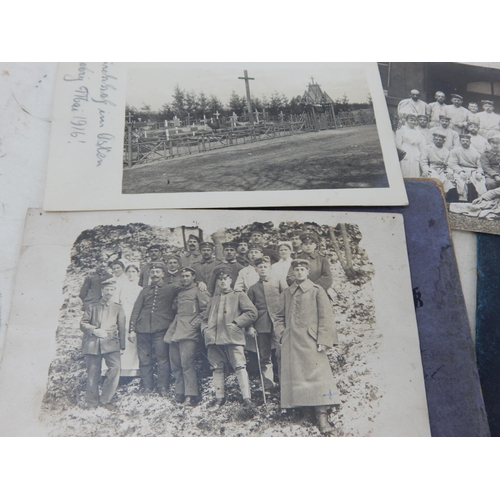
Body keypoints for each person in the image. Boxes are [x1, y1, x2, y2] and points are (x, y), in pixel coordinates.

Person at [274, 259, 340, 435]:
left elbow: (326, 317)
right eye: (296, 270)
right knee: (298, 376)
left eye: (303, 269)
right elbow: (278, 317)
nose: (299, 272)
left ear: (308, 272)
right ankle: (305, 412)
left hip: (312, 341)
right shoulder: (287, 293)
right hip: (292, 343)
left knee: (318, 376)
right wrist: (282, 333)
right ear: (293, 273)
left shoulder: (317, 291)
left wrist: (323, 340)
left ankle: (322, 416)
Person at [201, 267, 258, 411]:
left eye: (226, 278)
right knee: (216, 368)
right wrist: (205, 330)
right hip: (214, 338)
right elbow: (205, 318)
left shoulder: (239, 295)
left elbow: (252, 313)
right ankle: (219, 399)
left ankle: (247, 399)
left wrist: (237, 323)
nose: (223, 281)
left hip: (233, 336)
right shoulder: (214, 299)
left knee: (240, 366)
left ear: (231, 280)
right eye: (220, 279)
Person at [129, 262, 182, 396]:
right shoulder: (145, 290)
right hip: (143, 328)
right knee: (144, 359)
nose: (155, 275)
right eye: (152, 272)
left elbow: (186, 287)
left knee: (162, 358)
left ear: (163, 274)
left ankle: (163, 387)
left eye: (158, 272)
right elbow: (136, 310)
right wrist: (132, 329)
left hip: (161, 328)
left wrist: (200, 284)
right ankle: (147, 386)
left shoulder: (171, 288)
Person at [164, 267, 210, 406]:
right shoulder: (180, 292)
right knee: (176, 364)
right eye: (182, 276)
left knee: (187, 364)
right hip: (175, 330)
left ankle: (190, 395)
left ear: (193, 277)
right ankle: (179, 393)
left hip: (189, 332)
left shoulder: (199, 290)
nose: (184, 278)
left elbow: (207, 310)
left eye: (187, 276)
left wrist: (193, 325)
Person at [80, 279, 126, 410]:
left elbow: (122, 328)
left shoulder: (118, 307)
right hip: (93, 343)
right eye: (107, 290)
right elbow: (83, 323)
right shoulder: (92, 306)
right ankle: (92, 403)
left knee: (115, 369)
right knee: (93, 373)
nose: (109, 293)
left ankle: (106, 400)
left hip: (111, 343)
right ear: (102, 291)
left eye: (112, 290)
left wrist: (122, 346)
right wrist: (94, 330)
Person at [247, 257, 280, 391]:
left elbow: (287, 302)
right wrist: (250, 326)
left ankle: (286, 382)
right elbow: (249, 309)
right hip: (261, 324)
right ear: (256, 270)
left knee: (281, 353)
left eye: (265, 266)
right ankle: (268, 384)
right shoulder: (253, 288)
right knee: (264, 355)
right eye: (260, 267)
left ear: (270, 268)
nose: (263, 269)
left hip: (278, 323)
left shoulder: (278, 283)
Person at [118, 264, 141, 377]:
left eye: (133, 271)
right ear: (126, 273)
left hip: (135, 314)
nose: (131, 274)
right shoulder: (121, 287)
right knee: (123, 338)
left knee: (133, 338)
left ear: (137, 273)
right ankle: (122, 368)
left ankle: (133, 368)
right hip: (123, 313)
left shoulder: (140, 289)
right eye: (129, 272)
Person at [449, 134, 486, 202]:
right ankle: (463, 199)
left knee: (479, 180)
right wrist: (460, 171)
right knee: (460, 179)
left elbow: (480, 165)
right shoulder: (455, 151)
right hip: (461, 169)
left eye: (467, 141)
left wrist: (479, 172)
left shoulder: (476, 152)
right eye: (463, 141)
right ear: (460, 141)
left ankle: (481, 199)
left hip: (473, 170)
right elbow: (453, 164)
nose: (465, 142)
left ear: (470, 142)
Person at [419, 131, 455, 200]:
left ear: (444, 141)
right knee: (435, 180)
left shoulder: (446, 151)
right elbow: (423, 162)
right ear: (433, 140)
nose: (438, 141)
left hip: (442, 170)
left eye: (440, 140)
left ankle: (443, 199)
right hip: (431, 168)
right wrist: (426, 170)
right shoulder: (427, 149)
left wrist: (449, 172)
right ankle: (433, 198)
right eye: (436, 139)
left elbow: (449, 165)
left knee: (448, 181)